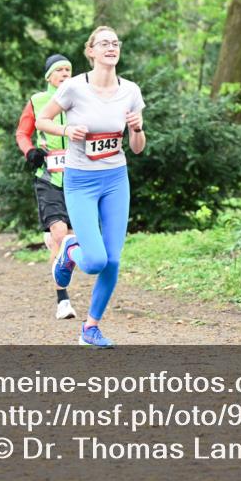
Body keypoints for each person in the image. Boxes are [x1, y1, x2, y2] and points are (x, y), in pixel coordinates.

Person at [35, 26, 145, 348]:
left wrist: (137, 130)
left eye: (115, 43)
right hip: (81, 180)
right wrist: (67, 131)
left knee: (113, 260)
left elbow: (137, 148)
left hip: (116, 179)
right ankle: (70, 250)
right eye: (104, 43)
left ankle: (90, 328)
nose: (111, 47)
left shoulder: (131, 91)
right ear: (91, 51)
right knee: (95, 260)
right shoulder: (74, 87)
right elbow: (42, 120)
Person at [15, 54, 77, 320]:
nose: (64, 74)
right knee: (61, 234)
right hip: (48, 177)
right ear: (49, 77)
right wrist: (30, 151)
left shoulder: (80, 99)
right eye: (59, 70)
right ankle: (62, 300)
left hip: (78, 177)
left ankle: (53, 239)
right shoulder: (38, 100)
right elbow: (22, 133)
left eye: (68, 70)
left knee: (72, 239)